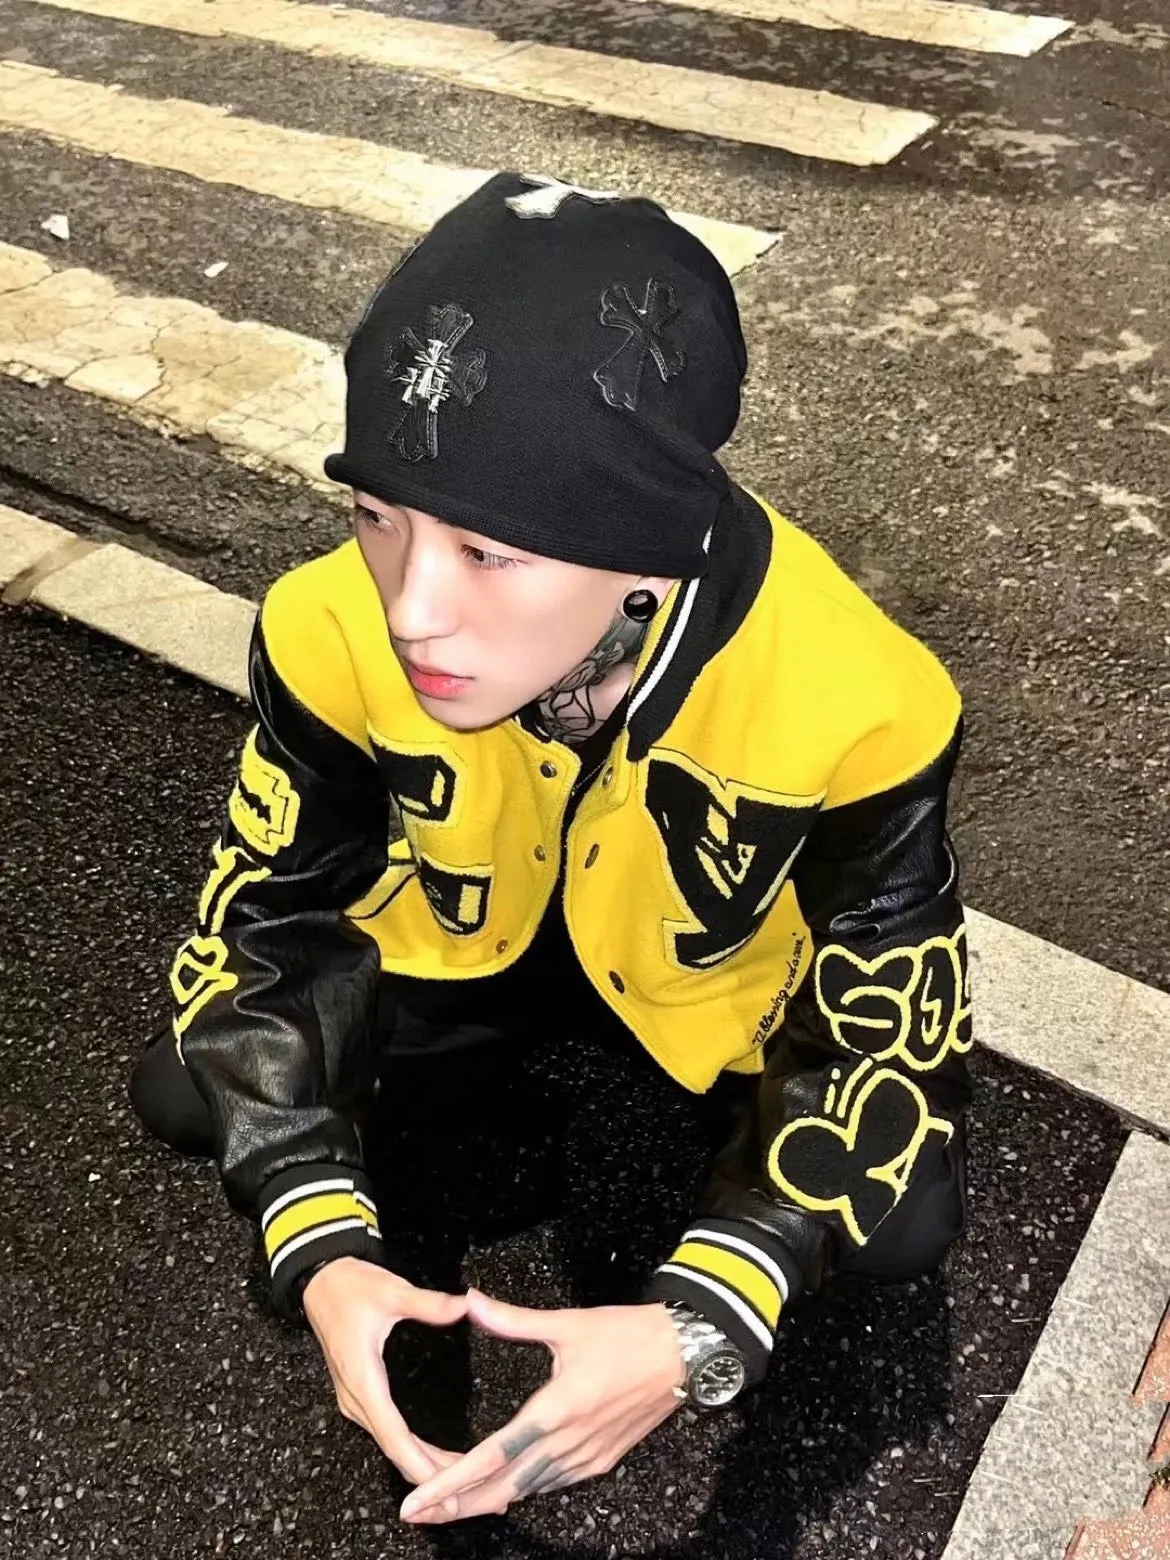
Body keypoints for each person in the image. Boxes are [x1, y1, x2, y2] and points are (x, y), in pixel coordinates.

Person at [129, 172, 973, 1526]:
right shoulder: (322, 624)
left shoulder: (861, 693)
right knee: (195, 1085)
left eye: (486, 550)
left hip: (700, 994)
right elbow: (262, 919)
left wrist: (703, 1320)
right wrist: (314, 1232)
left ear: (646, 550)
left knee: (896, 1205)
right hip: (472, 943)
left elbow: (895, 1021)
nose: (410, 607)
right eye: (377, 514)